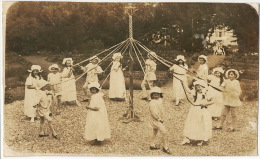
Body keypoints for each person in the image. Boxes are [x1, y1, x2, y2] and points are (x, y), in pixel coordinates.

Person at [181, 80, 214, 146]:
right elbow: (188, 90)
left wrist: (206, 103)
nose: (198, 88)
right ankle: (188, 138)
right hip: (195, 109)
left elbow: (213, 101)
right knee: (192, 122)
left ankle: (201, 139)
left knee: (202, 123)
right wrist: (183, 83)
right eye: (197, 87)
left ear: (203, 86)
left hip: (203, 110)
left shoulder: (207, 93)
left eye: (200, 87)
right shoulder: (195, 92)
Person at [148, 86, 171, 155]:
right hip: (156, 119)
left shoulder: (159, 100)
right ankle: (165, 147)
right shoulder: (152, 103)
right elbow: (153, 112)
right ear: (152, 95)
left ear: (160, 95)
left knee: (155, 131)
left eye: (158, 94)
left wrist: (162, 116)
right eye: (154, 94)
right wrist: (159, 119)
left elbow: (161, 109)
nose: (156, 95)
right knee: (164, 132)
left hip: (159, 118)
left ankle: (152, 144)